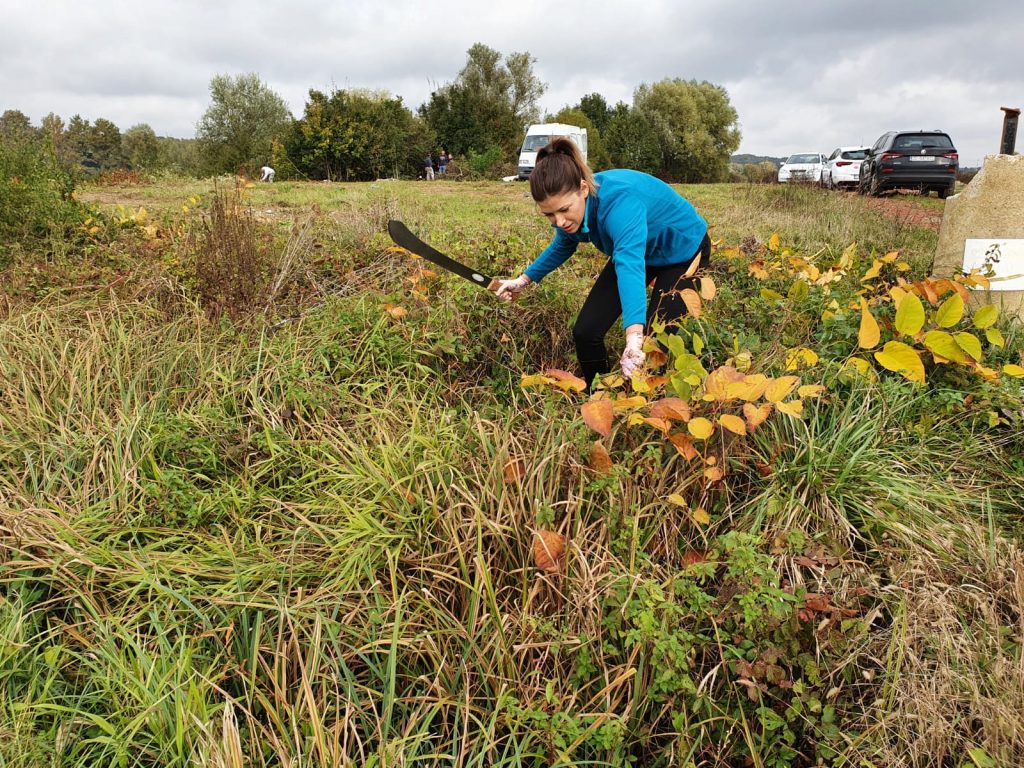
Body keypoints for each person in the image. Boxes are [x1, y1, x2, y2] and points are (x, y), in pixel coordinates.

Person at [495, 138, 710, 387]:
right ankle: (600, 393)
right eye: (549, 215)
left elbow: (630, 266)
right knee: (586, 331)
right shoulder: (569, 212)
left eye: (564, 210)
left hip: (683, 249)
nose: (560, 221)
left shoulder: (620, 205)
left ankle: (643, 405)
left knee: (654, 340)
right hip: (641, 249)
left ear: (583, 189)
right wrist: (523, 280)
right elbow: (563, 243)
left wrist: (634, 337)